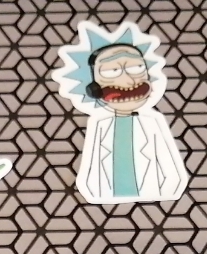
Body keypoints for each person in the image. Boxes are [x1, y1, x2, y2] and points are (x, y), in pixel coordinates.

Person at [76, 39, 187, 202]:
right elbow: (92, 171)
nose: (129, 81)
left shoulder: (152, 124)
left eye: (137, 68)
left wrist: (164, 195)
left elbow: (171, 171)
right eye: (112, 71)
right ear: (94, 88)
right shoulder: (99, 126)